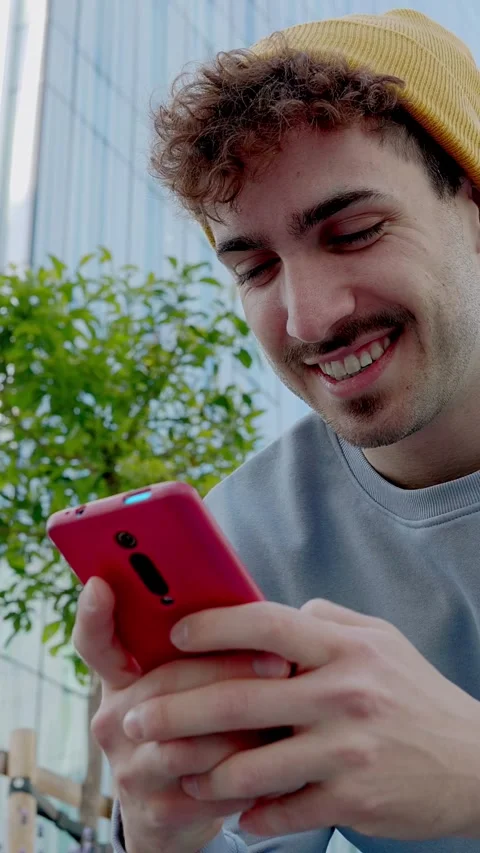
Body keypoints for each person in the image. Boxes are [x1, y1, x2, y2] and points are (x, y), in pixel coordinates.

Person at [72, 8, 480, 853]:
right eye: (254, 266)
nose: (308, 316)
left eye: (355, 231)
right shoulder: (252, 535)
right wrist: (161, 830)